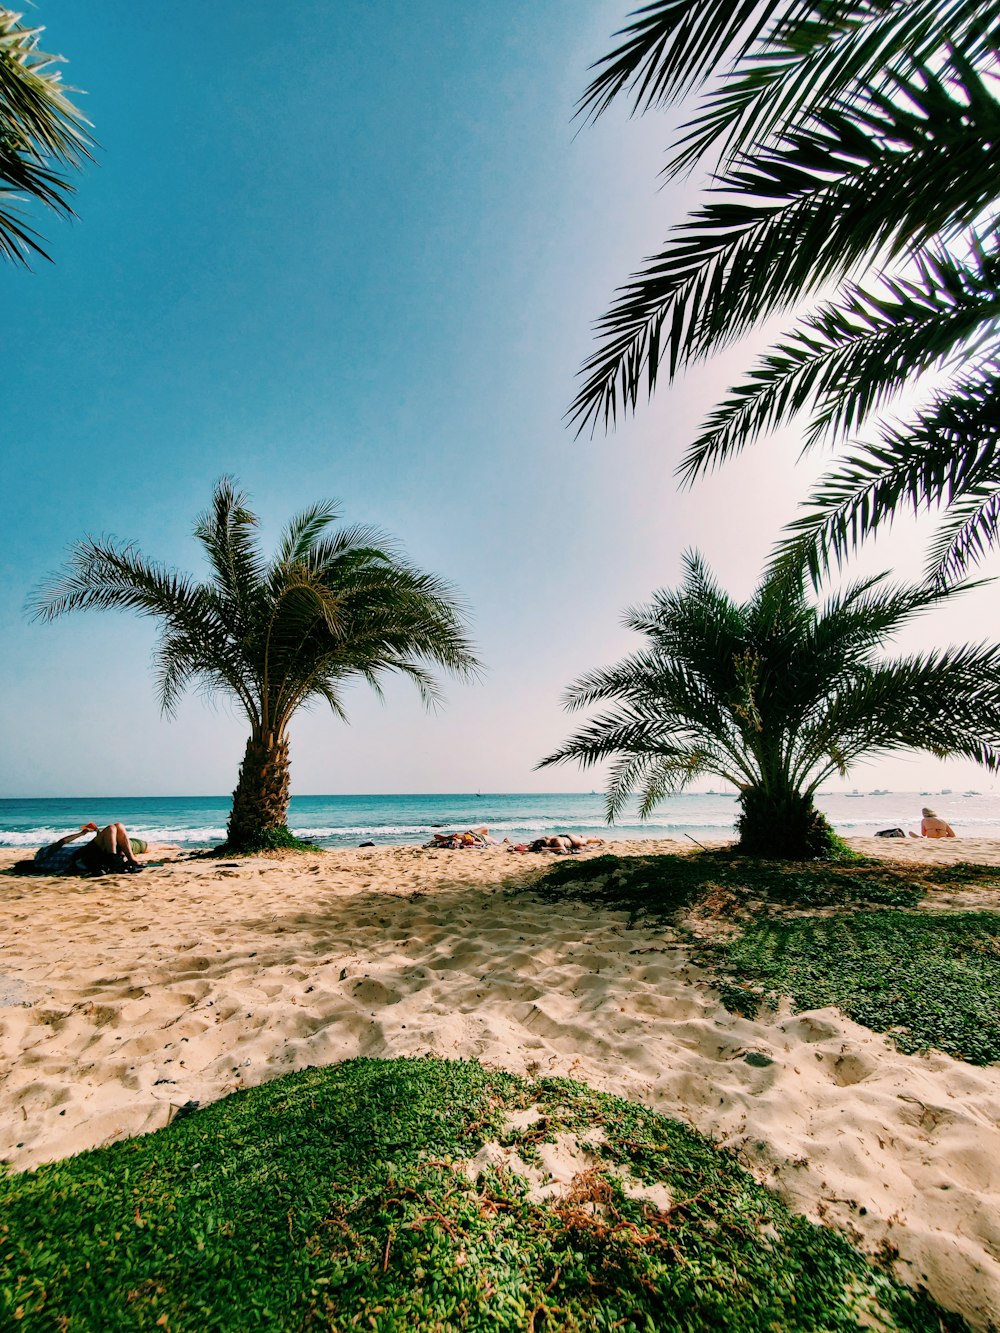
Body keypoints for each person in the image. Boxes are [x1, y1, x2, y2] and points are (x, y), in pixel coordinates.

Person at [33, 822, 154, 874]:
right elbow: (63, 841)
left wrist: (97, 834)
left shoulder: (45, 858)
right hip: (80, 856)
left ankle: (122, 858)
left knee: (116, 826)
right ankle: (116, 859)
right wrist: (82, 833)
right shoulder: (43, 854)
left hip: (87, 854)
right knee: (113, 827)